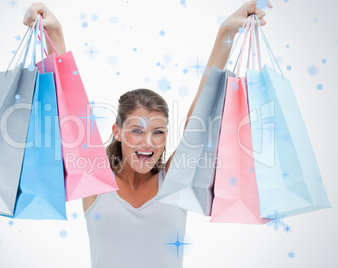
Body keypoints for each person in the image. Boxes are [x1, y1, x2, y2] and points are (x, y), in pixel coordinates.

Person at [23, 1, 271, 267]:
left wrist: (226, 33)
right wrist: (56, 33)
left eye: (158, 132)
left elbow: (202, 113)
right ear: (117, 132)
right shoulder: (96, 179)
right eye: (137, 131)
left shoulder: (174, 181)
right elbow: (69, 108)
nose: (148, 142)